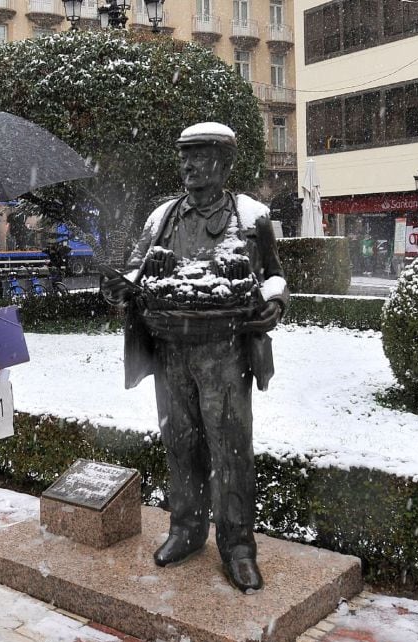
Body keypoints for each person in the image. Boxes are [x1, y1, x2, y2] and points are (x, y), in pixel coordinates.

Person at [101, 122, 288, 593]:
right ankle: (186, 529)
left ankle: (238, 546)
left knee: (230, 450)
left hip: (224, 352)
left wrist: (274, 303)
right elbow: (135, 271)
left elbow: (277, 279)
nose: (188, 165)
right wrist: (122, 286)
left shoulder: (251, 218)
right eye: (184, 156)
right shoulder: (161, 217)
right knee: (180, 443)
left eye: (200, 157)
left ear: (224, 165)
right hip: (170, 350)